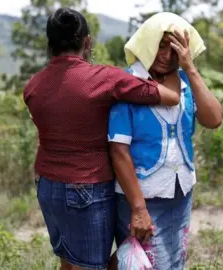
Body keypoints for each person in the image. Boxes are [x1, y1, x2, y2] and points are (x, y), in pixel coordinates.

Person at [23, 8, 182, 270]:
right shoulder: (105, 78)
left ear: (49, 45)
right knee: (89, 266)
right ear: (87, 42)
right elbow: (171, 96)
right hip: (85, 187)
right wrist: (177, 65)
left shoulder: (33, 85)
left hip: (46, 185)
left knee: (69, 262)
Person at [108, 12, 222, 269]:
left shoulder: (185, 83)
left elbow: (214, 119)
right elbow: (118, 151)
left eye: (173, 48)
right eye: (159, 46)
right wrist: (138, 209)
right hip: (141, 198)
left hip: (180, 192)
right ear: (146, 43)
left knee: (173, 261)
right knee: (142, 263)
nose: (165, 55)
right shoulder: (127, 85)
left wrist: (190, 68)